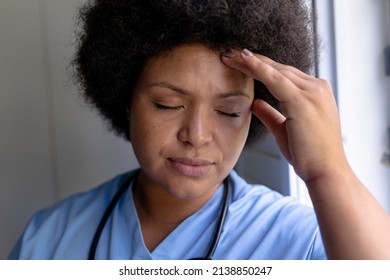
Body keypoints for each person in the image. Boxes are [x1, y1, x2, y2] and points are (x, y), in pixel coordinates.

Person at [9, 0, 390, 260]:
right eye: (168, 104)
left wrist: (328, 172)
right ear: (127, 100)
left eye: (228, 111)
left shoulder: (304, 240)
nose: (197, 134)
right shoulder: (49, 238)